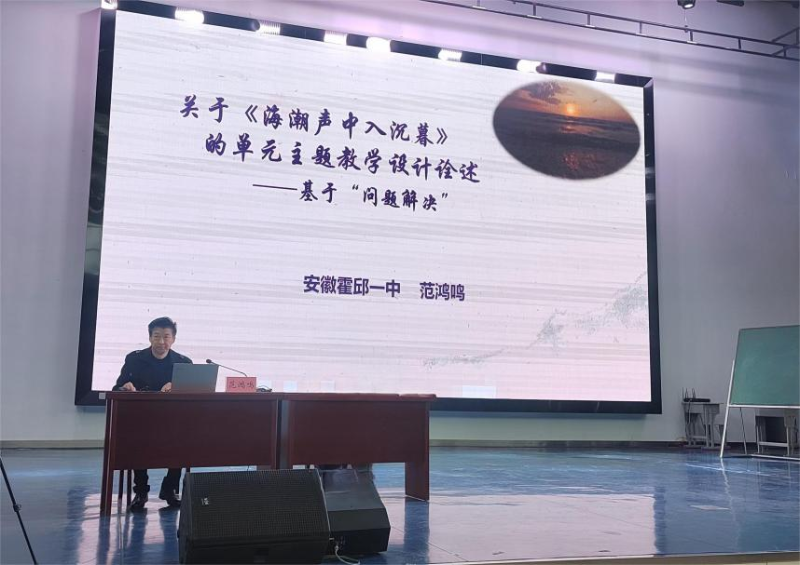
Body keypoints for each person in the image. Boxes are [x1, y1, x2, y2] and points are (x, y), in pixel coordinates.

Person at [112, 316, 192, 511]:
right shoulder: (134, 359)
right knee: (138, 441)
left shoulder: (183, 362)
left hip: (172, 420)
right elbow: (117, 387)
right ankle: (141, 491)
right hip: (142, 418)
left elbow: (192, 393)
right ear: (149, 338)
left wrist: (177, 387)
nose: (161, 342)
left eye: (166, 337)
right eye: (157, 336)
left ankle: (170, 489)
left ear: (173, 339)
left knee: (183, 441)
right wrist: (125, 387)